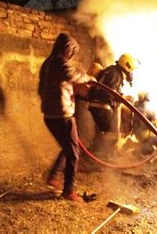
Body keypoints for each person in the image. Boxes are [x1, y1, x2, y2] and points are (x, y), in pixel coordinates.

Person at [38, 33, 95, 202]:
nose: (71, 55)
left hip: (50, 115)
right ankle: (68, 191)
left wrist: (74, 90)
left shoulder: (47, 64)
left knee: (69, 146)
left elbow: (57, 85)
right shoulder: (59, 62)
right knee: (73, 153)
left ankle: (53, 177)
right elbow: (71, 75)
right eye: (72, 51)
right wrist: (89, 78)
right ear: (67, 48)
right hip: (62, 115)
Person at [87, 53, 139, 159]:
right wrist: (126, 97)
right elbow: (110, 92)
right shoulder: (116, 75)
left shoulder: (112, 71)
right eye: (132, 70)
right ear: (127, 66)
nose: (132, 73)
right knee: (112, 133)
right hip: (101, 105)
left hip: (97, 104)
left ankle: (102, 153)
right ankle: (102, 155)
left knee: (108, 131)